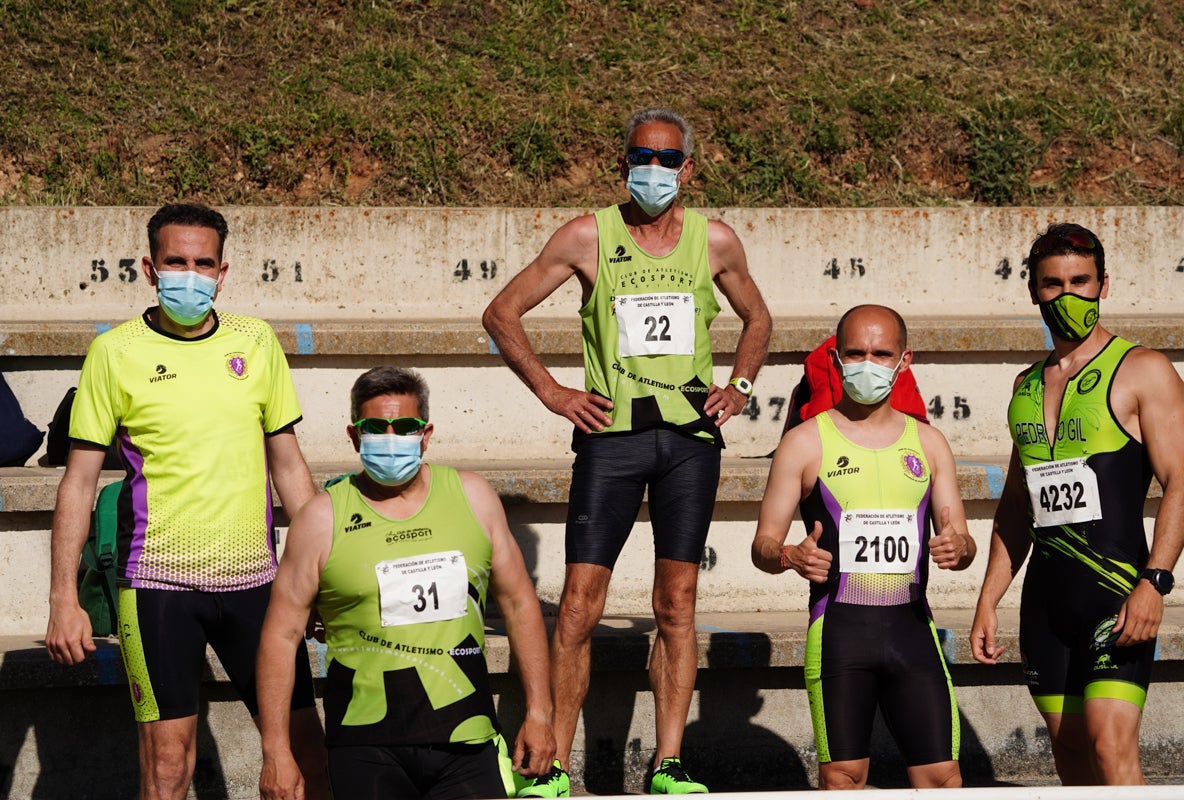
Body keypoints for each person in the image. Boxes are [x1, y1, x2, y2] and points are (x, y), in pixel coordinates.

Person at [482, 107, 772, 795]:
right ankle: (549, 761)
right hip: (610, 440)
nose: (654, 170)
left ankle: (668, 761)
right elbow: (501, 312)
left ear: (689, 169)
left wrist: (740, 386)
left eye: (668, 159)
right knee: (580, 604)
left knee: (677, 603)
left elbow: (758, 319)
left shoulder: (717, 241)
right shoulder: (588, 235)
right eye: (642, 156)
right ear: (622, 164)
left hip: (688, 443)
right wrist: (553, 392)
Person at [44, 203, 328, 800]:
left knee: (305, 755)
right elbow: (78, 482)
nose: (190, 274)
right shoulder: (114, 353)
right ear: (150, 268)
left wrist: (325, 566)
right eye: (176, 261)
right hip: (157, 588)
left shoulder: (256, 342)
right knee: (168, 768)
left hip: (256, 584)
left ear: (223, 272)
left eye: (204, 263)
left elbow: (290, 469)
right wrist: (62, 597)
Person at [257, 366, 555, 800]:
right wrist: (276, 751)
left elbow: (519, 605)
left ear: (426, 433)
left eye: (405, 426)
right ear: (354, 435)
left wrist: (540, 713)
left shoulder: (473, 497)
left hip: (465, 737)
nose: (391, 437)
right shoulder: (320, 519)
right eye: (376, 427)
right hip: (365, 745)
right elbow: (281, 637)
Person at [970, 223, 1184, 785]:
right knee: (1070, 754)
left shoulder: (1143, 369)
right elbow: (1018, 507)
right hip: (1046, 601)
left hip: (1117, 592)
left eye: (1080, 281)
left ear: (1103, 284)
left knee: (1110, 747)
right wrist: (988, 599)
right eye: (1053, 284)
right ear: (1033, 291)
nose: (1067, 295)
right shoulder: (1026, 385)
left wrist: (1155, 583)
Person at [751, 304, 975, 790]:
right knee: (843, 779)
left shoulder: (931, 443)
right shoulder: (804, 442)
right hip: (839, 633)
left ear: (904, 359)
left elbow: (961, 537)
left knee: (942, 777)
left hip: (912, 631)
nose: (866, 363)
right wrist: (790, 555)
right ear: (835, 358)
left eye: (880, 353)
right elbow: (762, 545)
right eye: (855, 353)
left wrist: (960, 548)